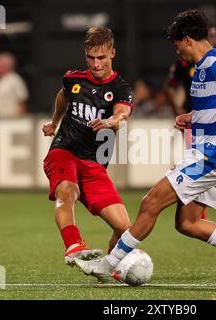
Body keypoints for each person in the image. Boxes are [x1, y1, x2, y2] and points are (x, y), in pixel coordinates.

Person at [73, 9, 216, 287]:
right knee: (187, 223)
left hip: (211, 155)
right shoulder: (205, 67)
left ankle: (108, 265)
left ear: (188, 39)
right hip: (206, 152)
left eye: (176, 44)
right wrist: (194, 117)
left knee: (150, 203)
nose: (176, 50)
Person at [41, 26, 133, 266]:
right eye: (91, 58)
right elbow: (63, 97)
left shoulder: (120, 88)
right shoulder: (73, 79)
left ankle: (107, 266)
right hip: (64, 152)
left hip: (93, 165)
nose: (96, 64)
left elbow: (122, 115)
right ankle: (73, 247)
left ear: (112, 53)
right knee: (67, 191)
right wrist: (54, 123)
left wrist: (110, 121)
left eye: (101, 57)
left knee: (126, 230)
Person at [165, 23, 216, 219]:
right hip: (192, 118)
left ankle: (197, 208)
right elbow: (169, 87)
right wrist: (177, 109)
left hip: (211, 119)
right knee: (196, 157)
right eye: (211, 35)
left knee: (200, 159)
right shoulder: (183, 64)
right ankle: (197, 209)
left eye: (214, 36)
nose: (214, 40)